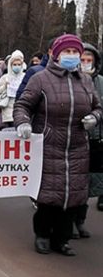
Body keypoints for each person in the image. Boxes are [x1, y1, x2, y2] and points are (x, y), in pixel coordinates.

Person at [14, 34, 102, 256]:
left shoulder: (86, 81)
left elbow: (98, 107)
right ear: (55, 54)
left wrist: (95, 117)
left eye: (75, 52)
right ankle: (42, 235)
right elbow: (23, 105)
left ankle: (61, 239)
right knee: (48, 195)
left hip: (78, 146)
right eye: (67, 52)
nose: (72, 56)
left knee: (72, 196)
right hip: (48, 144)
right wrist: (23, 123)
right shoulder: (40, 79)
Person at [72, 43, 103, 237]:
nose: (85, 63)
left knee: (92, 180)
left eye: (88, 60)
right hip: (75, 138)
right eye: (82, 60)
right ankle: (69, 222)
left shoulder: (100, 82)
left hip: (97, 137)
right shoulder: (71, 80)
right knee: (76, 181)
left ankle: (80, 221)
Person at [0, 50, 25, 129]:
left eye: (19, 64)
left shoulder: (25, 77)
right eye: (14, 64)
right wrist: (5, 86)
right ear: (10, 65)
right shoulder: (5, 77)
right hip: (8, 110)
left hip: (21, 109)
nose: (17, 66)